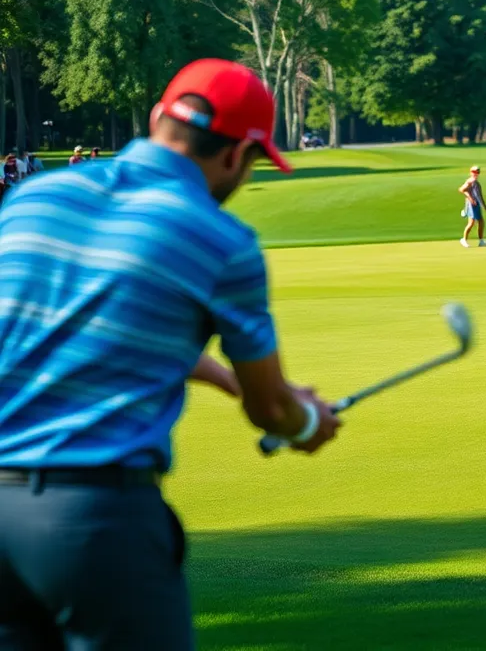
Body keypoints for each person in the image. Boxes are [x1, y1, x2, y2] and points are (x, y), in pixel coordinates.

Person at [0, 58, 340, 649]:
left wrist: (228, 381)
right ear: (236, 156)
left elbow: (106, 325)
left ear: (158, 117)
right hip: (95, 523)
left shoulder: (33, 199)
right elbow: (272, 414)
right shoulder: (221, 240)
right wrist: (306, 419)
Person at [458, 165, 486, 248]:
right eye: (474, 172)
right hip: (471, 204)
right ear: (471, 172)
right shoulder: (470, 182)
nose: (476, 173)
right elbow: (461, 189)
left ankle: (481, 240)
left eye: (477, 172)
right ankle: (464, 239)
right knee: (471, 223)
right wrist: (470, 198)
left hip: (476, 204)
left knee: (481, 221)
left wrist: (484, 205)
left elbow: (480, 195)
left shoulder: (477, 183)